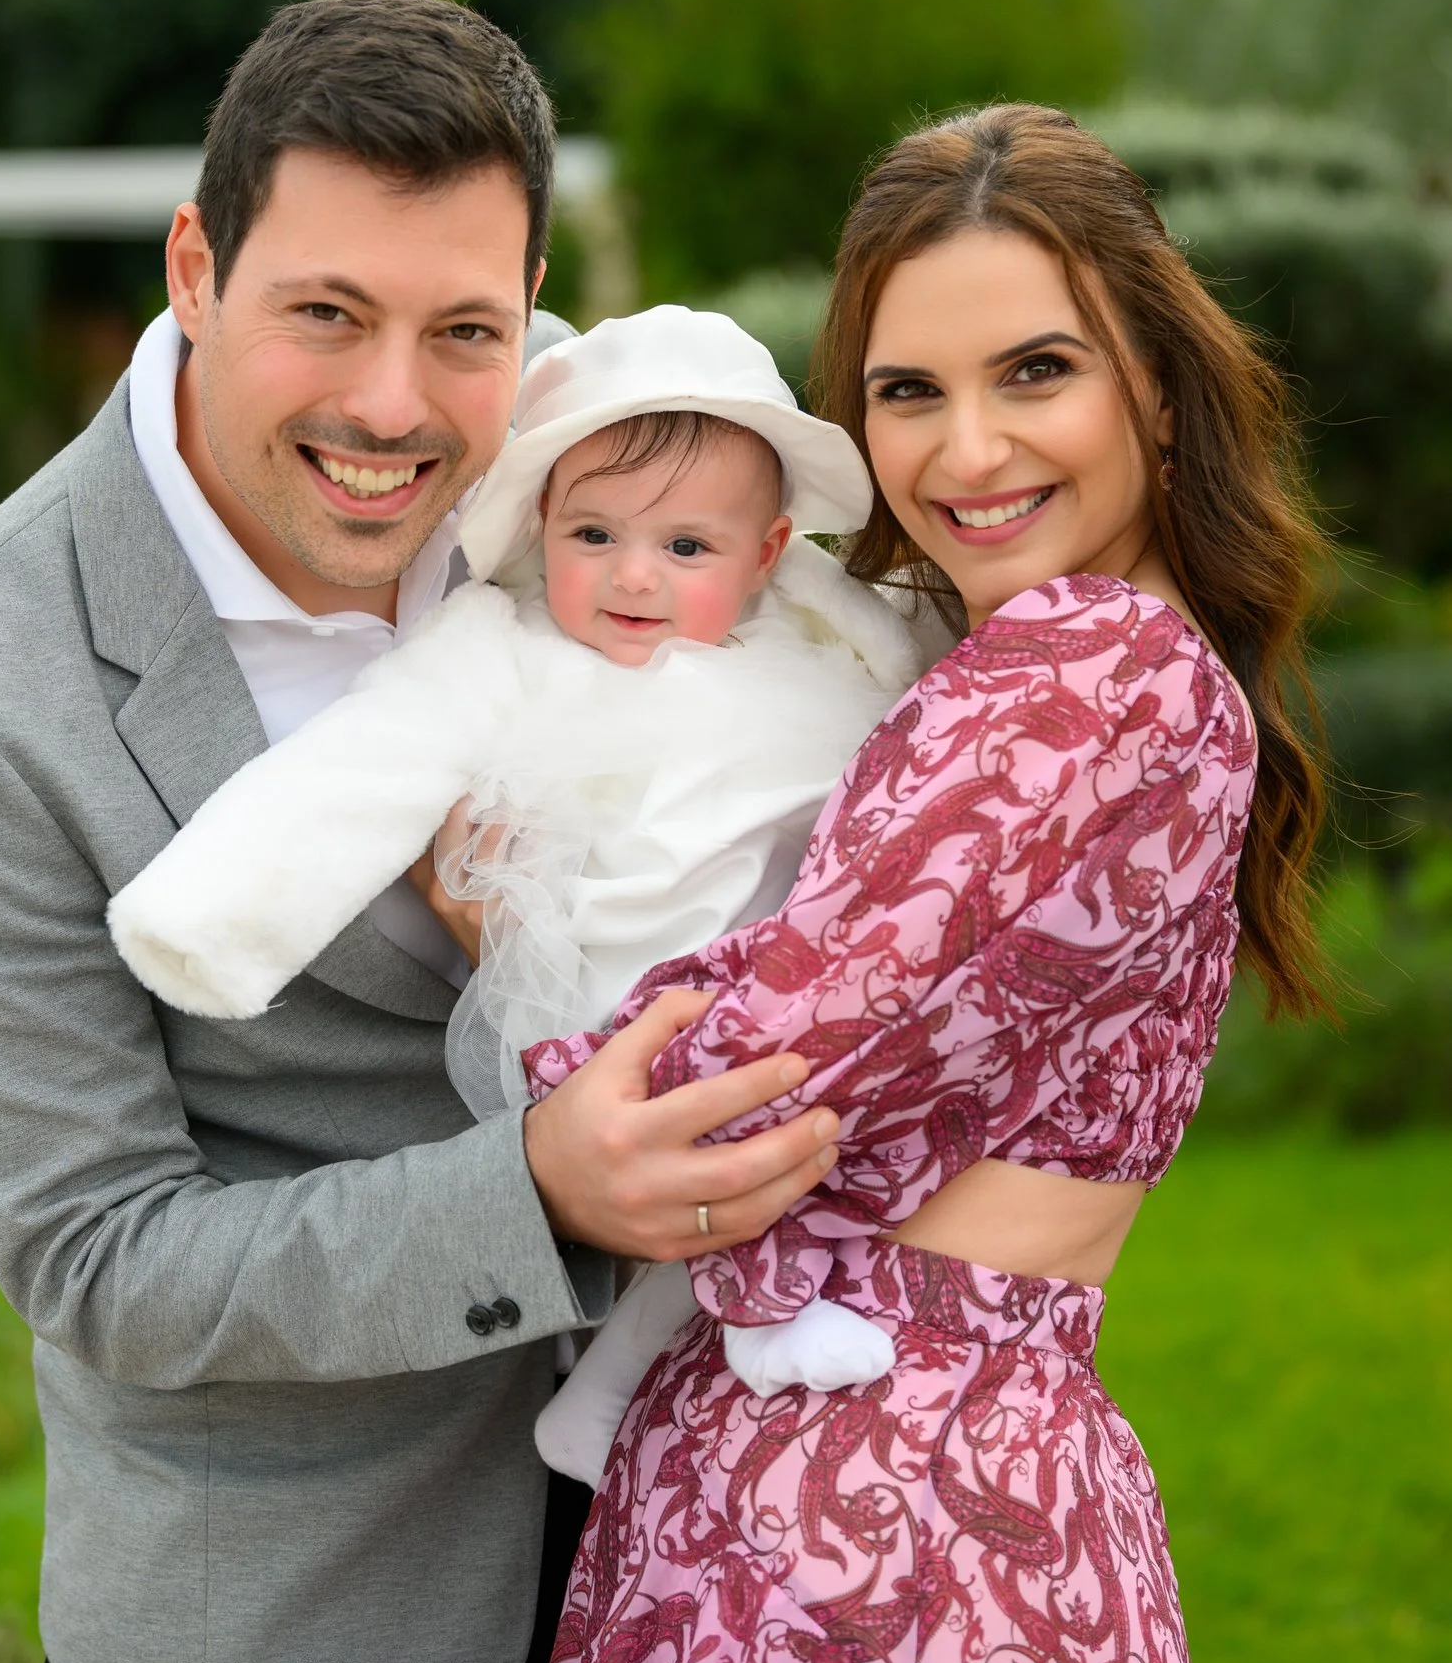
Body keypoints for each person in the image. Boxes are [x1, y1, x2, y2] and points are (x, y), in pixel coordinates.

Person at [0, 0, 839, 1663]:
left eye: (465, 326)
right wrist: (534, 1191)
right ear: (194, 265)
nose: (395, 400)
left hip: (695, 1576)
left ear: (531, 297)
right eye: (324, 312)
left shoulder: (610, 448)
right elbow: (103, 1260)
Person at [510, 102, 1331, 1663]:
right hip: (953, 1482)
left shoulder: (1085, 678)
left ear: (1158, 384)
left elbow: (741, 1082)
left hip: (893, 1530)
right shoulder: (1056, 664)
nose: (964, 451)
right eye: (903, 393)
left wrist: (520, 967)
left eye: (1034, 371)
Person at [107, 304, 957, 1482]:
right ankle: (723, 1329)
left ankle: (606, 1393)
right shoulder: (498, 645)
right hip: (590, 1002)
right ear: (540, 524)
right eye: (593, 531)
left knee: (822, 1131)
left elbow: (924, 673)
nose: (631, 576)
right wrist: (212, 916)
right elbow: (361, 763)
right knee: (700, 1149)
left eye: (685, 549)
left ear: (768, 553)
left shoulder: (808, 648)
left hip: (782, 1004)